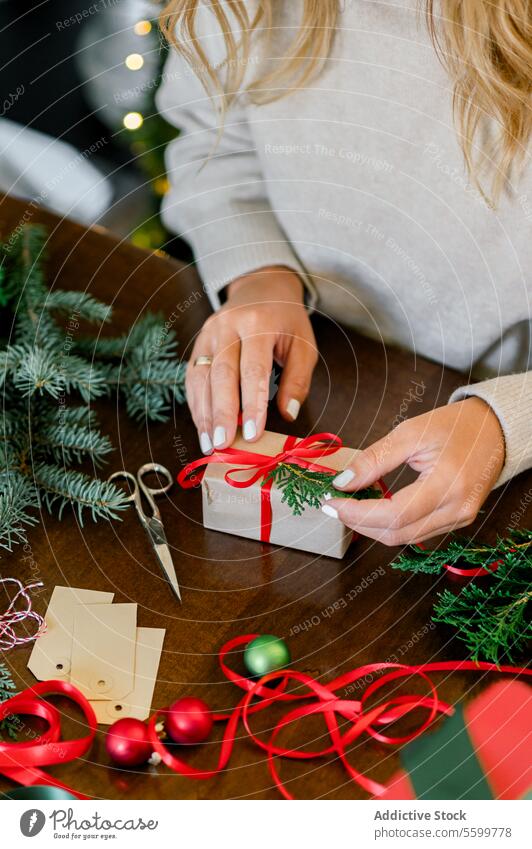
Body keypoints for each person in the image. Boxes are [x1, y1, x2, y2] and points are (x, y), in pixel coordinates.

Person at [156, 0, 531, 545]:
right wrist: (260, 272)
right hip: (326, 364)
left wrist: (510, 421)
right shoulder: (241, 10)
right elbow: (212, 142)